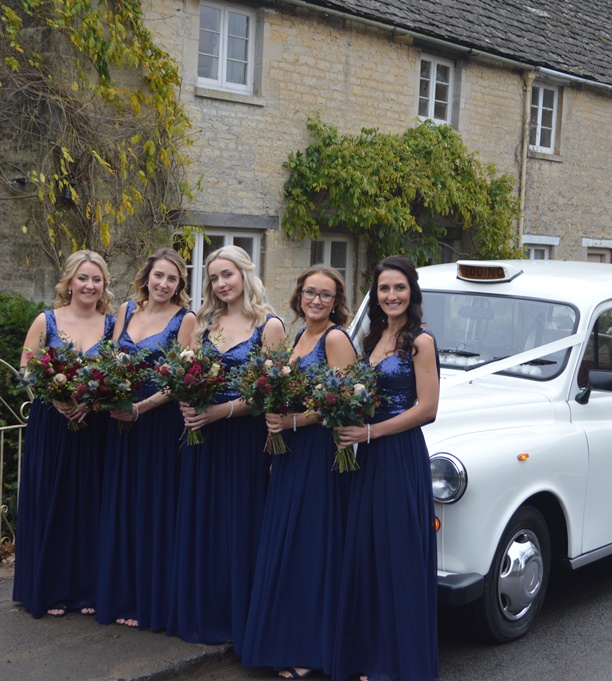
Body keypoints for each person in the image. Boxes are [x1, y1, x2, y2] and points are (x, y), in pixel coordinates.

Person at [241, 265, 357, 679]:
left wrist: (294, 422)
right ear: (299, 295)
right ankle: (284, 639)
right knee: (288, 545)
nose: (316, 300)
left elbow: (343, 403)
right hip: (290, 455)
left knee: (311, 546)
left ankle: (311, 649)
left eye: (326, 295)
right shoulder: (297, 337)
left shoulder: (336, 338)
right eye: (311, 292)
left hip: (318, 455)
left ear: (336, 301)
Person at [168, 245, 287, 646]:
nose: (221, 284)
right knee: (203, 519)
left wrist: (221, 412)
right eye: (214, 278)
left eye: (227, 275)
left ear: (245, 274)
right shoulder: (203, 324)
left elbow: (271, 394)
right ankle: (202, 611)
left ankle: (239, 619)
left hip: (242, 439)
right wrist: (187, 399)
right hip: (201, 438)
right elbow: (181, 373)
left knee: (238, 520)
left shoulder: (269, 326)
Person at [332, 255, 440, 681]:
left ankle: (399, 664)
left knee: (397, 556)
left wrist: (371, 434)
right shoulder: (372, 335)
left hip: (398, 455)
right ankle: (370, 657)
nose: (391, 295)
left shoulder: (420, 341)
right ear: (375, 296)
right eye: (383, 289)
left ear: (411, 291)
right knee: (368, 553)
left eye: (398, 287)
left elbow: (428, 409)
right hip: (368, 456)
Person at [94, 248, 196, 630]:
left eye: (172, 279)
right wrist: (109, 394)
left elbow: (182, 379)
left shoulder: (185, 319)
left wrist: (142, 408)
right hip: (120, 423)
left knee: (153, 508)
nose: (163, 284)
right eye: (159, 276)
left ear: (179, 285)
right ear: (146, 276)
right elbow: (110, 360)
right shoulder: (125, 311)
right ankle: (119, 593)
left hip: (159, 425)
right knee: (122, 505)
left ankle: (148, 600)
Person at [13, 249, 117, 619]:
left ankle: (87, 588)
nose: (89, 285)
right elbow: (26, 367)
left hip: (96, 426)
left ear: (104, 284)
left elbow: (117, 372)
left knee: (90, 504)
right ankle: (49, 588)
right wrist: (52, 395)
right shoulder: (47, 320)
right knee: (51, 500)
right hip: (53, 423)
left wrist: (96, 398)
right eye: (83, 278)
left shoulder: (112, 324)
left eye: (96, 279)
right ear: (69, 282)